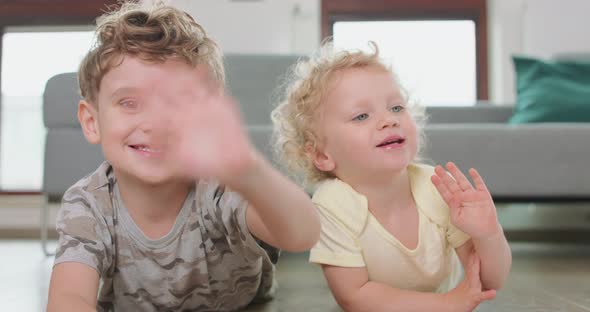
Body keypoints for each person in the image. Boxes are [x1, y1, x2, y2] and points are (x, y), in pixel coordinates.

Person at [46, 2, 320, 311]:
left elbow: (303, 233)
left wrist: (247, 170)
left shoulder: (218, 188)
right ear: (92, 121)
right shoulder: (88, 204)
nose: (154, 123)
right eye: (129, 102)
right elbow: (68, 299)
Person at [271, 41, 512, 311]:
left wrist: (489, 234)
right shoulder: (332, 204)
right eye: (361, 115)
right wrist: (446, 304)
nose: (389, 120)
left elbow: (490, 282)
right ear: (322, 155)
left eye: (396, 107)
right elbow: (354, 296)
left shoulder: (435, 187)